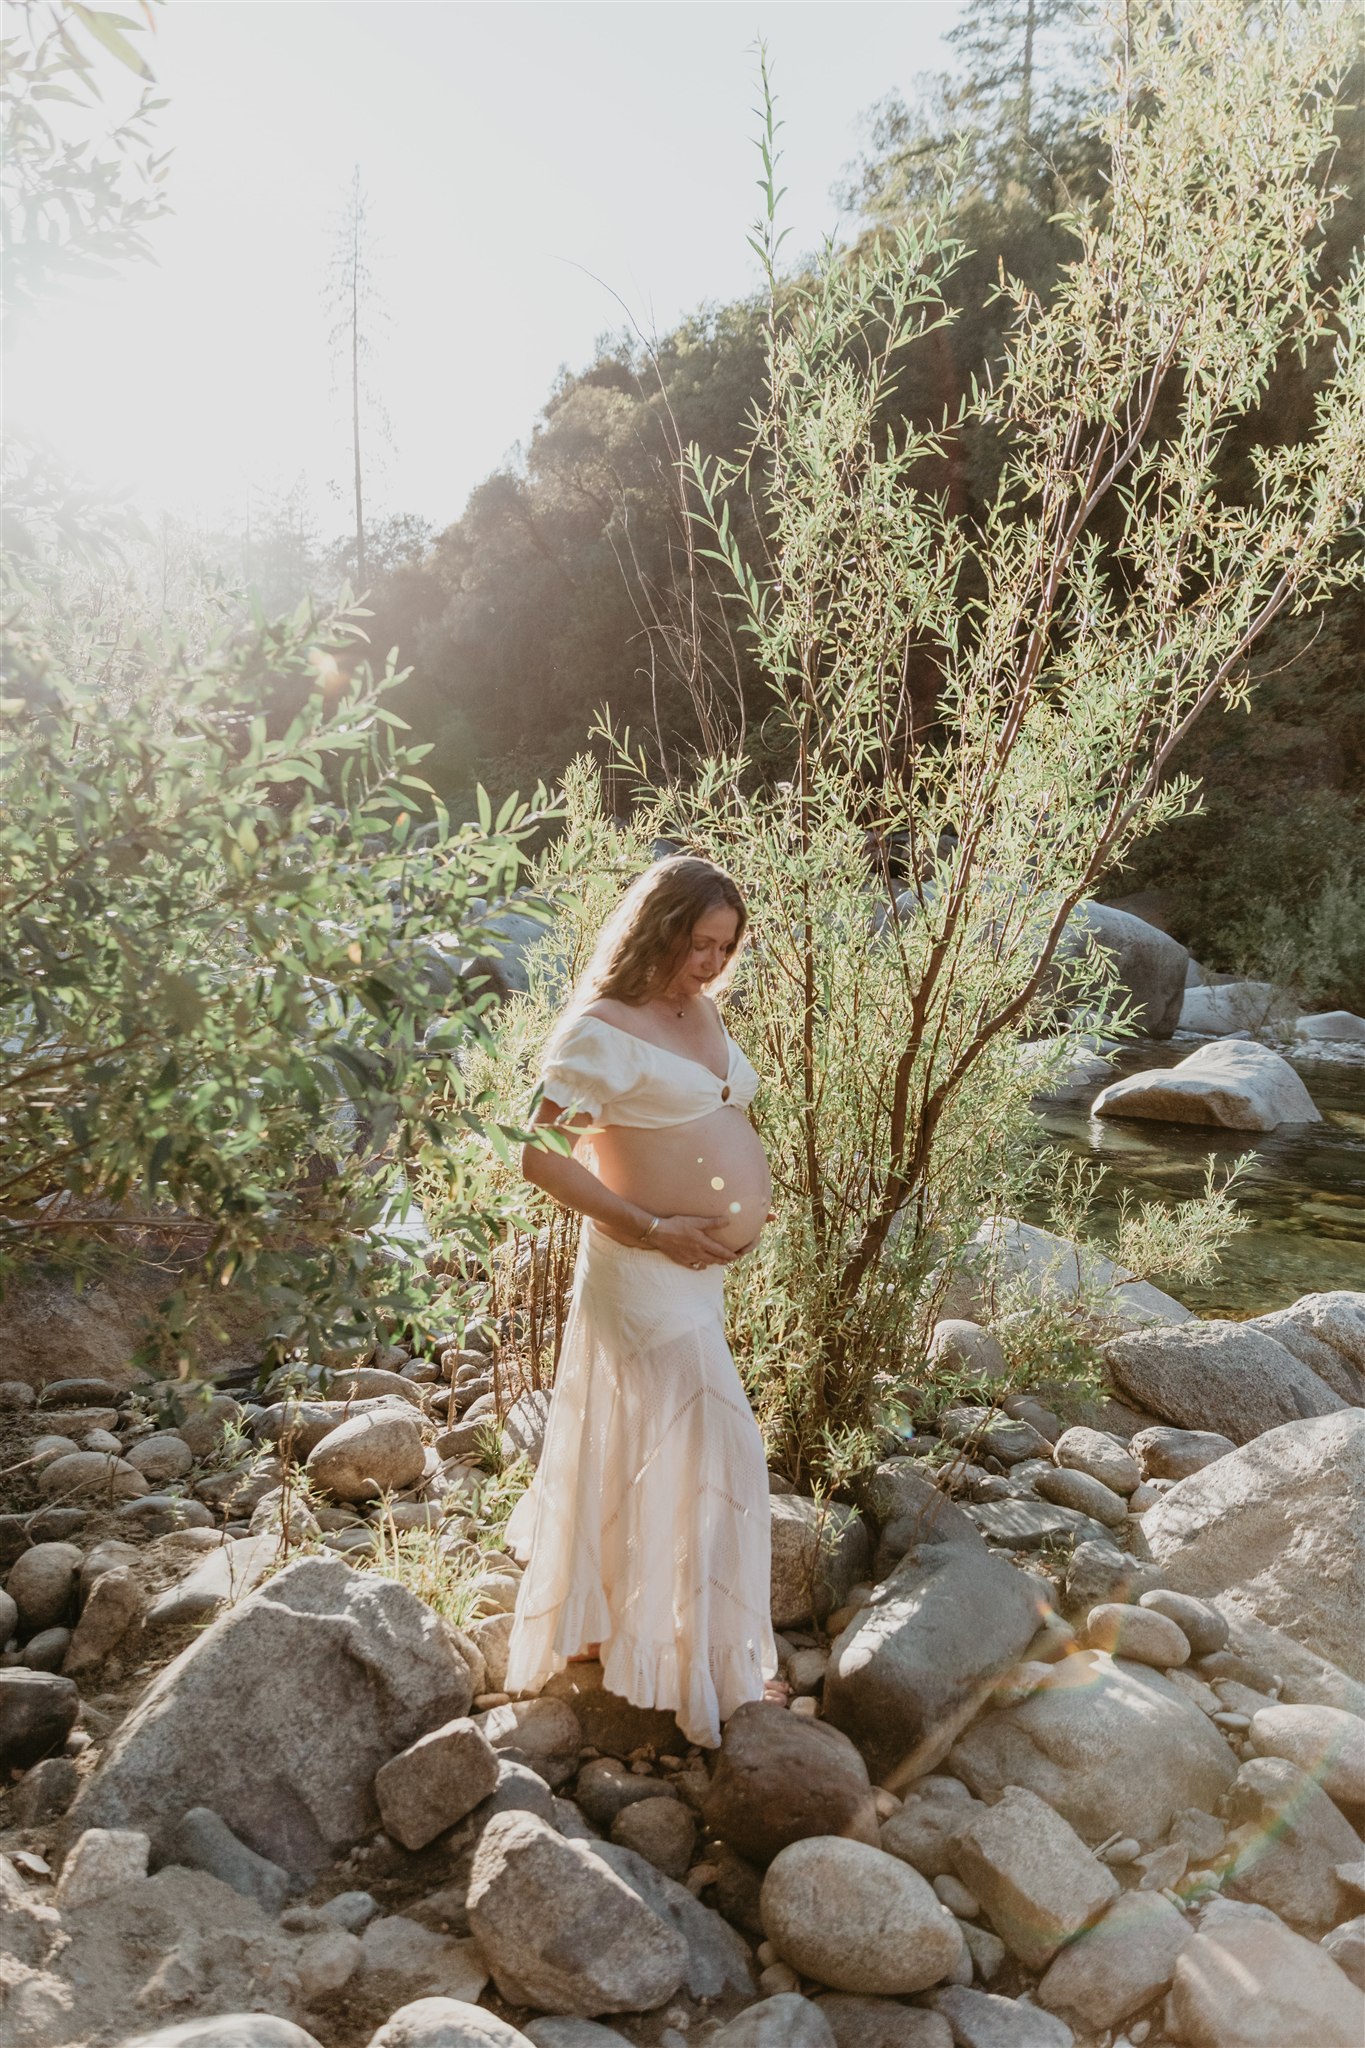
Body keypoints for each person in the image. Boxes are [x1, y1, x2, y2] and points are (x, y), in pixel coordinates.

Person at [502, 856, 782, 1748]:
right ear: (657, 929)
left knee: (654, 1438)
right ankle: (710, 1665)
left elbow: (712, 1118)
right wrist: (653, 1226)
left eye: (725, 947)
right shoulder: (601, 1029)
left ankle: (622, 1630)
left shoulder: (703, 1011)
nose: (711, 963)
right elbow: (538, 1156)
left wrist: (734, 1203)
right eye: (698, 943)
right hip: (640, 1266)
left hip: (700, 1274)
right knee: (722, 1446)